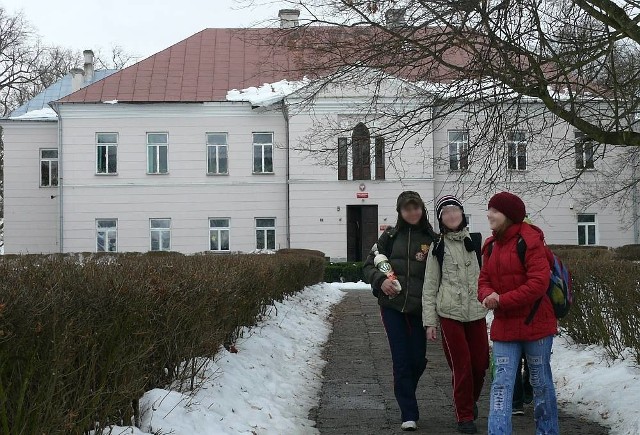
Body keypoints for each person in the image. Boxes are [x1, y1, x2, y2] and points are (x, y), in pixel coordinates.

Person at [478, 192, 559, 435]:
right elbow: (483, 280)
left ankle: (547, 431)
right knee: (501, 385)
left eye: (494, 210)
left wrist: (501, 300)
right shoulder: (490, 246)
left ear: (510, 216)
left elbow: (538, 284)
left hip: (536, 326)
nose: (489, 214)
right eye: (489, 209)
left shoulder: (530, 241)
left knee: (540, 384)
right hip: (505, 327)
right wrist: (487, 294)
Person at [363, 191, 438, 432]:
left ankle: (405, 389)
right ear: (400, 212)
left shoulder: (433, 238)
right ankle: (409, 412)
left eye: (416, 208)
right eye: (407, 209)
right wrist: (380, 282)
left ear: (422, 210)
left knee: (417, 359)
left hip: (420, 309)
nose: (412, 213)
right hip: (392, 307)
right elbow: (368, 264)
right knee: (401, 359)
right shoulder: (389, 237)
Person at [422, 195, 489, 434]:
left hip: (476, 311)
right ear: (441, 219)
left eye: (455, 211)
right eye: (445, 213)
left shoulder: (477, 242)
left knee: (481, 364)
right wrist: (430, 322)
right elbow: (430, 286)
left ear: (462, 214)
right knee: (462, 365)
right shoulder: (437, 247)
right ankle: (464, 415)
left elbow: (488, 277)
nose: (451, 216)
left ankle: (469, 401)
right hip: (449, 313)